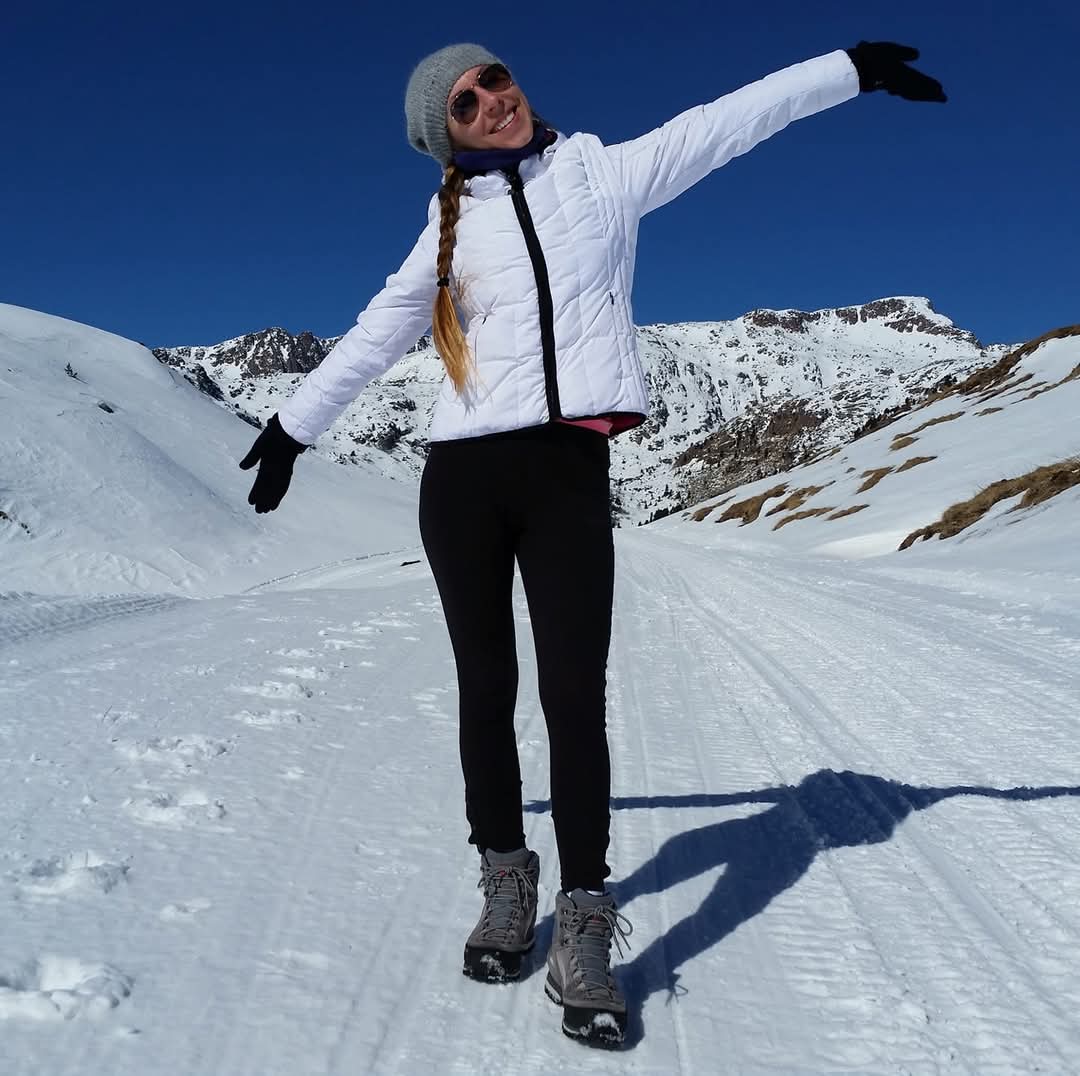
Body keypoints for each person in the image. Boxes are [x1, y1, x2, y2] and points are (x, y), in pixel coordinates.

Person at [239, 40, 945, 1047]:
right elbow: (376, 332)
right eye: (466, 102)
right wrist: (291, 429)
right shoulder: (445, 231)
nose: (493, 100)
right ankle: (504, 877)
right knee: (486, 685)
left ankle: (581, 916)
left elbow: (726, 122)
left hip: (567, 475)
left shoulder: (604, 174)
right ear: (446, 139)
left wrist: (848, 70)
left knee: (574, 695)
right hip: (462, 482)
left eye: (494, 78)